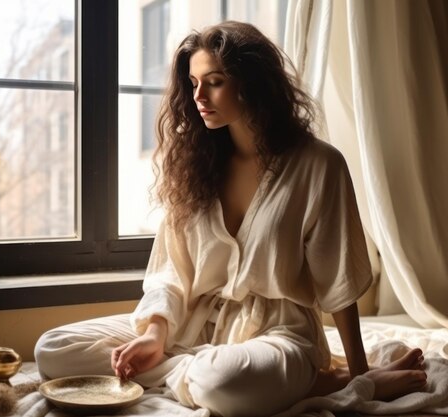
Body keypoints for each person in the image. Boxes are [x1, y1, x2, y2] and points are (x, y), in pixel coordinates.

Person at [35, 21, 427, 416]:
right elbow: (170, 272)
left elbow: (340, 282)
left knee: (223, 382)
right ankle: (259, 380)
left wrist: (362, 377)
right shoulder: (195, 165)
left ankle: (313, 377)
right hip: (188, 326)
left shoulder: (317, 164)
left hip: (277, 334)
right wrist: (155, 334)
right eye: (193, 83)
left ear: (253, 82)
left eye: (215, 81)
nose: (199, 96)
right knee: (54, 351)